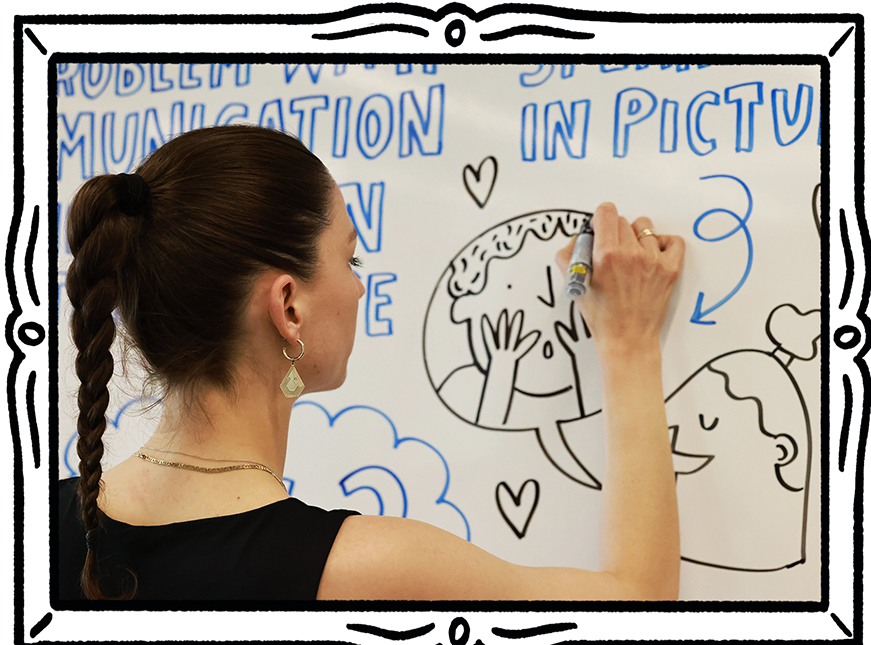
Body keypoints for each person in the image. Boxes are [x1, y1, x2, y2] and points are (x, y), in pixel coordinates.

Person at [59, 125, 685, 601]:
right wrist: (628, 343)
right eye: (350, 259)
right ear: (290, 308)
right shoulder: (364, 568)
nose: (359, 289)